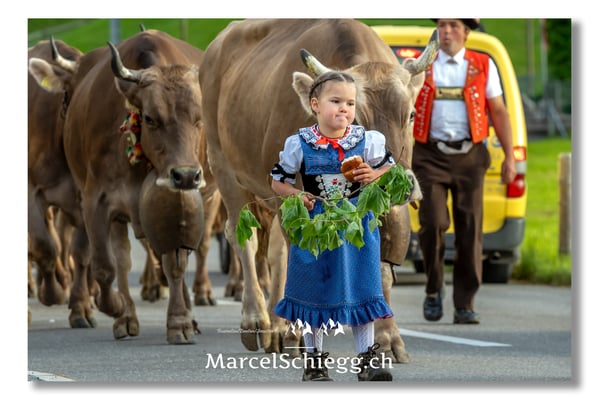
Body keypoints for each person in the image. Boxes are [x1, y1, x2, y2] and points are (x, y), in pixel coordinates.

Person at [270, 71, 394, 382]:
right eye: (335, 101)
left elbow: (390, 165)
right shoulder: (300, 143)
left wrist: (372, 175)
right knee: (316, 289)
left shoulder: (366, 140)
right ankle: (314, 362)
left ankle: (366, 360)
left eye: (350, 103)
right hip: (315, 228)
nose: (344, 109)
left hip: (357, 225)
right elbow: (277, 181)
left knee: (361, 287)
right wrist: (299, 195)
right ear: (315, 104)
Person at [412, 18, 517, 324]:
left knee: (470, 230)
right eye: (442, 25)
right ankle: (433, 288)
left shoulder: (482, 64)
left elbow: (498, 110)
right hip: (429, 154)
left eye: (454, 25)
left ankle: (464, 303)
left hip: (471, 155)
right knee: (432, 223)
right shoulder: (423, 64)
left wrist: (510, 156)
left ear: (467, 32)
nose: (446, 31)